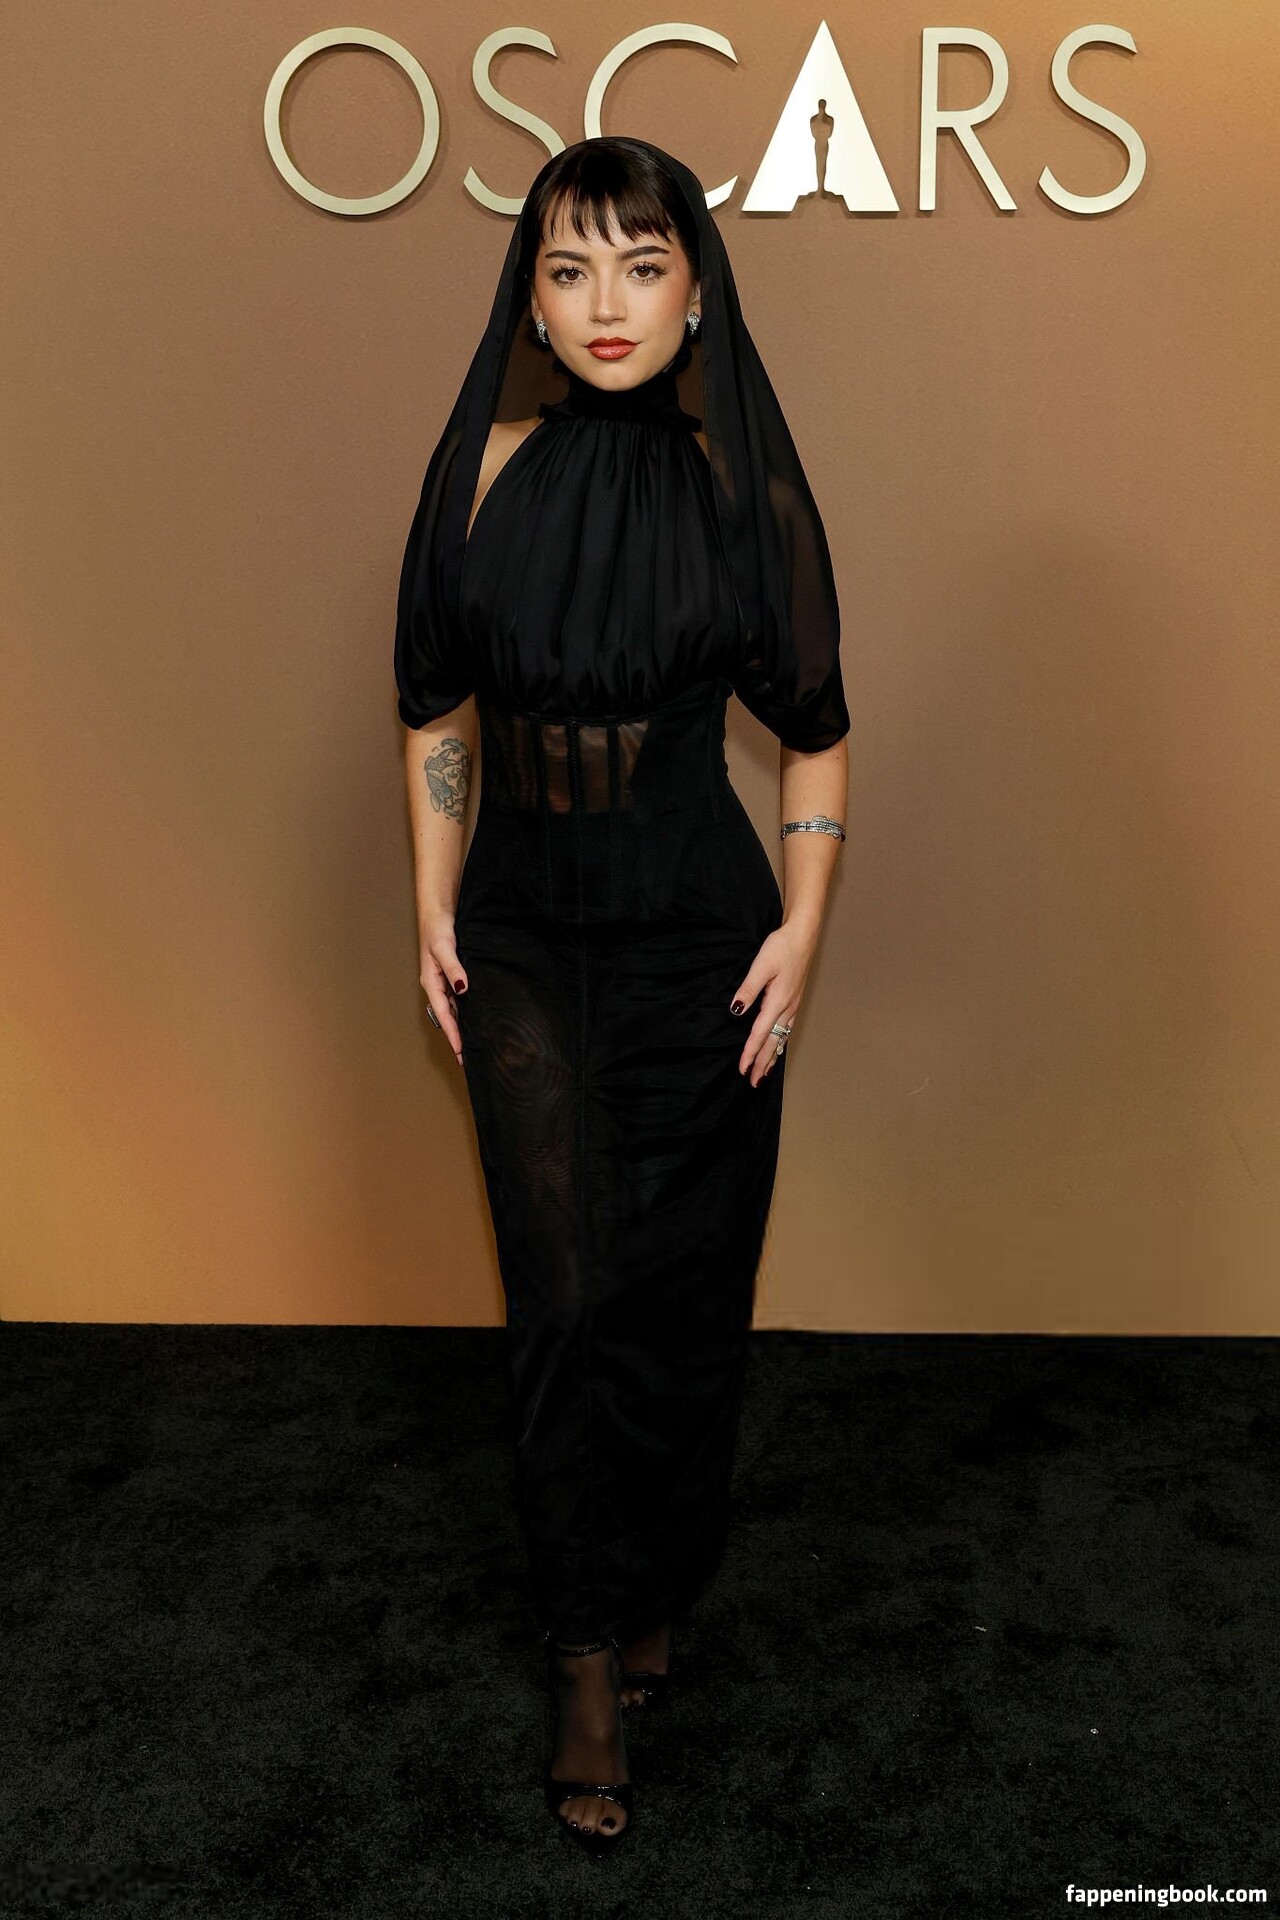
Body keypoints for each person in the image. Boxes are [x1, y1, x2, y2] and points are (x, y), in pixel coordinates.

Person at [393, 134, 850, 1851]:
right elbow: (432, 709)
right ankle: (584, 1654)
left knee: (681, 1290)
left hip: (699, 932)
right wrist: (430, 900)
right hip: (522, 933)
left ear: (696, 293)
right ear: (529, 294)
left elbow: (817, 732)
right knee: (564, 1294)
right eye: (571, 267)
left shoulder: (743, 492)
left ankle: (655, 1582)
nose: (607, 303)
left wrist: (804, 929)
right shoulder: (478, 475)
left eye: (643, 266)